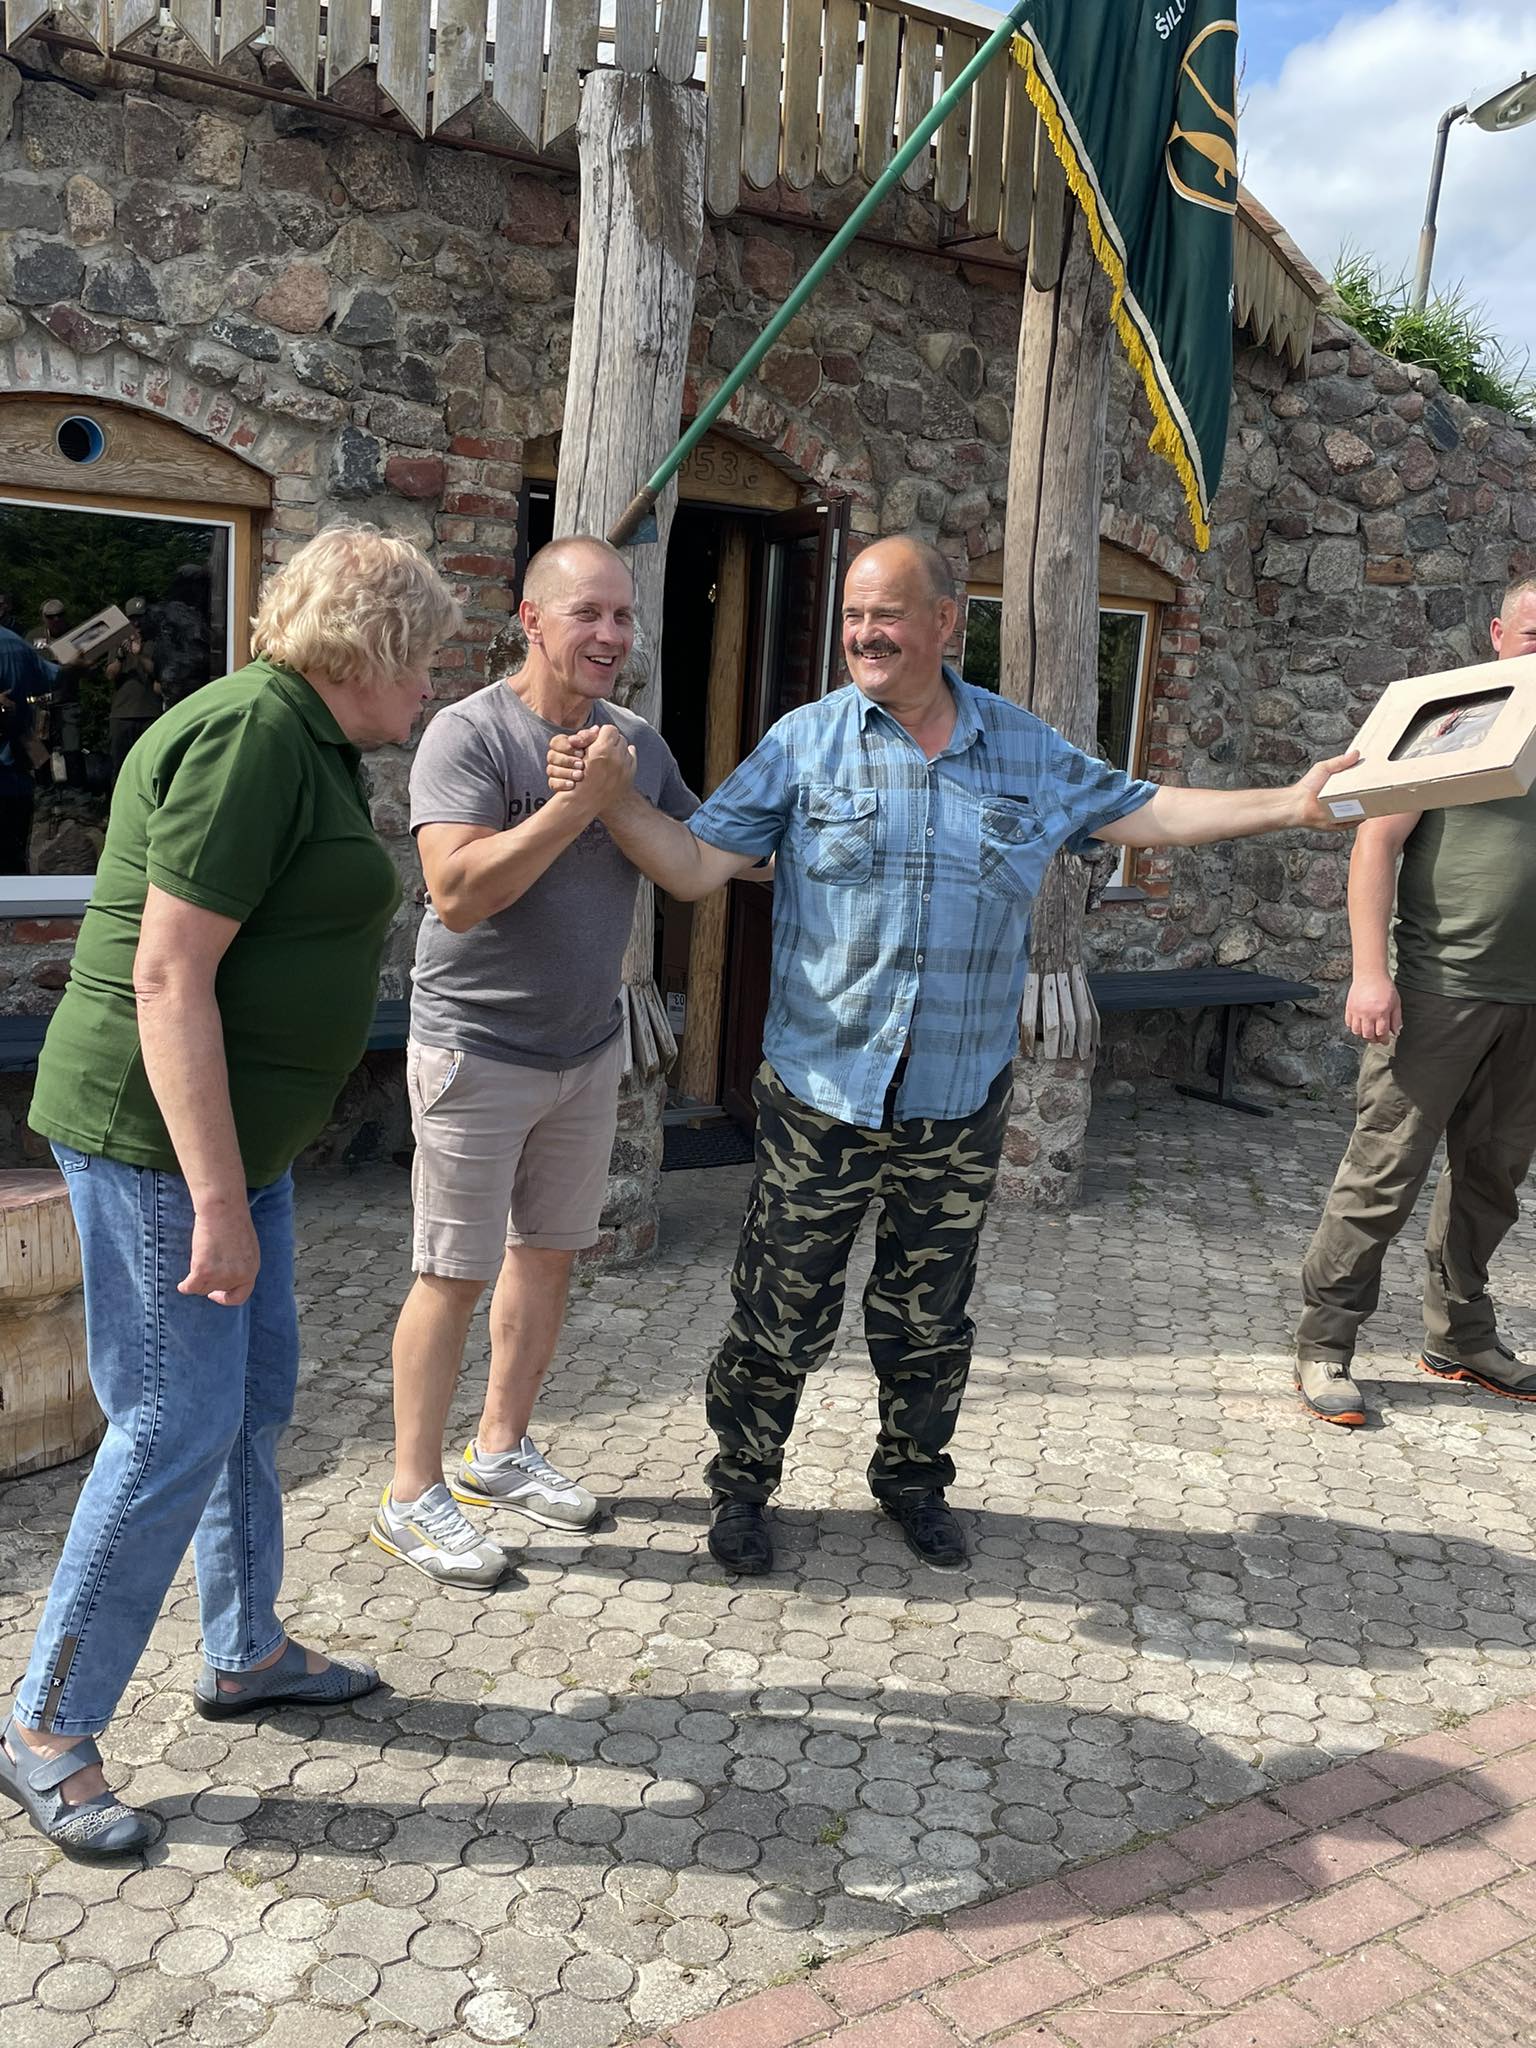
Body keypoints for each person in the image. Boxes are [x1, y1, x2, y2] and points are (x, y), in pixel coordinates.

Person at [549, 534, 1357, 1576]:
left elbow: (1144, 808)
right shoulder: (804, 744)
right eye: (852, 617)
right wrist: (615, 803)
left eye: (885, 614)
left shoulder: (1023, 749)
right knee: (778, 1313)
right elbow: (699, 864)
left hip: (957, 1098)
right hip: (821, 1094)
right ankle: (742, 1486)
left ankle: (913, 1482)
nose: (863, 635)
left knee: (929, 1317)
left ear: (945, 622)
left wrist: (1292, 803)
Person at [0, 524, 462, 1857]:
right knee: (170, 1424)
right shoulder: (251, 735)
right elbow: (166, 977)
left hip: (230, 1151)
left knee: (250, 1400)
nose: (429, 684)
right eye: (422, 657)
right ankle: (45, 1725)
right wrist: (212, 1199)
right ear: (368, 645)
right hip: (160, 1147)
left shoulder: (306, 739)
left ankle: (245, 1646)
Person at [373, 535, 698, 1588]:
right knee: (452, 1273)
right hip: (475, 1047)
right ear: (531, 619)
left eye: (623, 616)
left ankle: (500, 1452)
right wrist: (574, 805)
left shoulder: (635, 745)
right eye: (586, 613)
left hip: (586, 1047)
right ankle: (409, 1494)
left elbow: (697, 856)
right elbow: (459, 893)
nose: (609, 634)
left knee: (549, 1254)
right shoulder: (469, 733)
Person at [1296, 575, 1536, 1424]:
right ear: (1498, 635)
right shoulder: (1455, 724)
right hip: (1437, 995)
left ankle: (1461, 1336)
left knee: (1492, 1183)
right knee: (1382, 1176)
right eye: (1535, 635)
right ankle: (1325, 1344)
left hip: (1529, 1007)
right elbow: (1376, 843)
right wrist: (1370, 972)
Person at [0, 625, 81, 871]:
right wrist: (75, 666)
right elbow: (52, 676)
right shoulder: (15, 644)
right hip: (16, 778)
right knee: (13, 866)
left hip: (11, 774)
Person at [106, 598, 163, 780]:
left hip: (149, 713)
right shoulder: (118, 643)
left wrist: (139, 655)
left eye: (140, 617)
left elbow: (158, 672)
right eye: (132, 618)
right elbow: (110, 675)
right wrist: (120, 658)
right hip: (122, 714)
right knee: (120, 766)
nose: (136, 623)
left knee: (148, 766)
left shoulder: (155, 642)